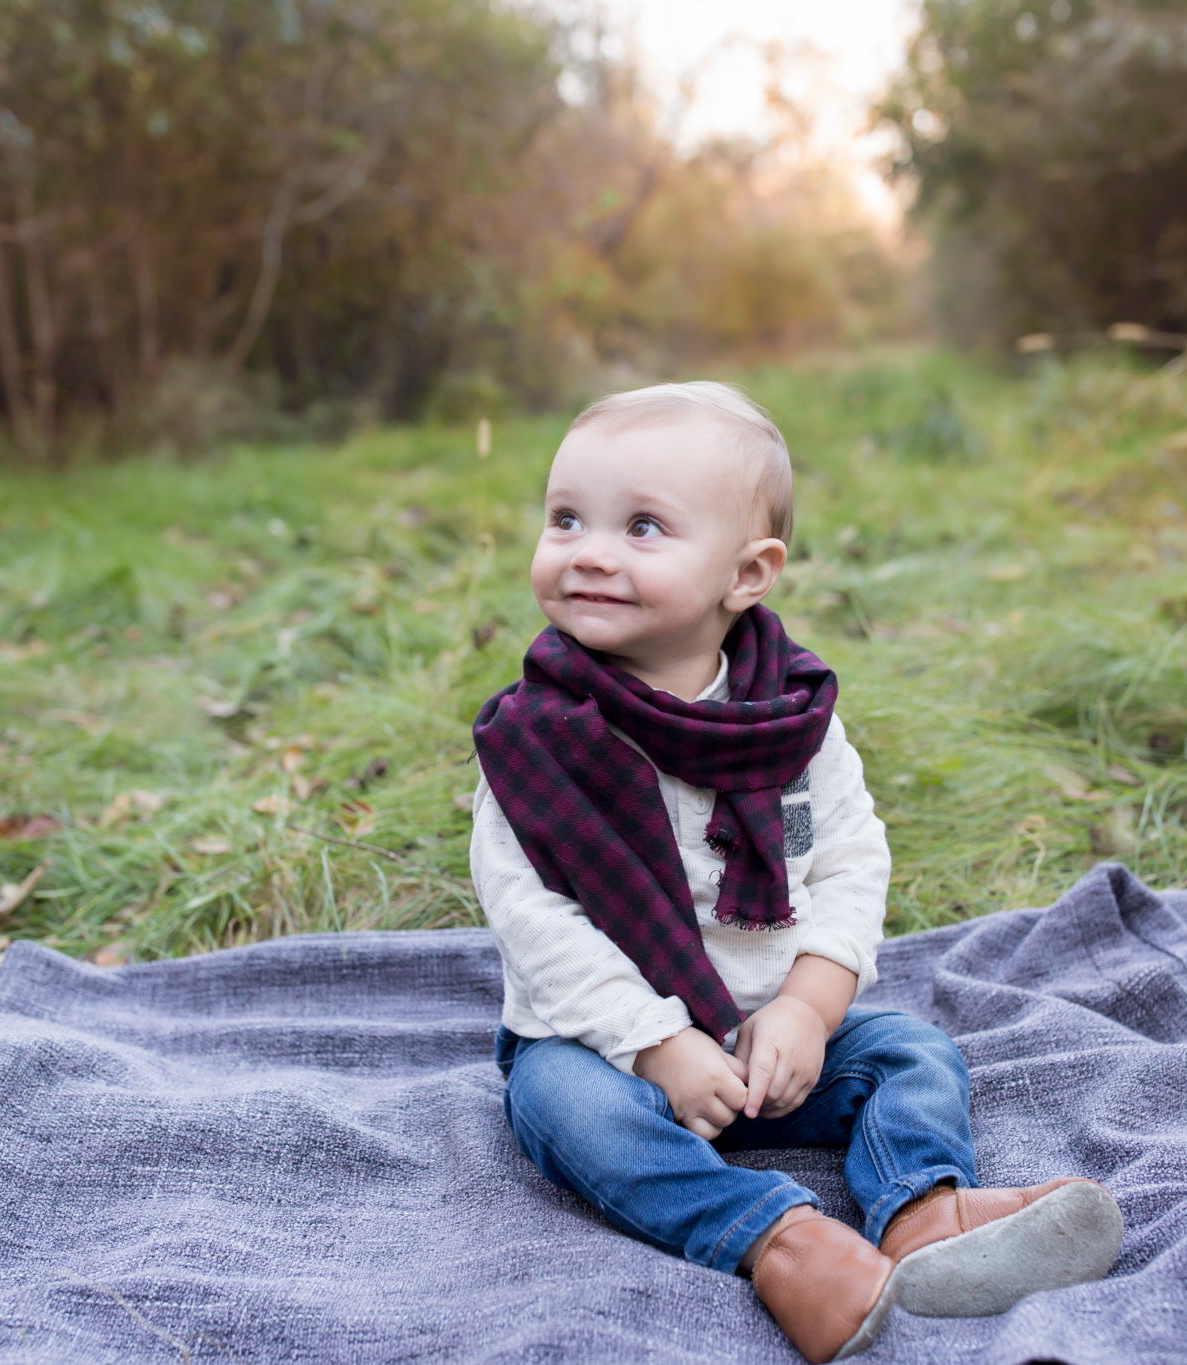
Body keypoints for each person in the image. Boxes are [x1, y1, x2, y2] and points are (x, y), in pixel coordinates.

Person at [469, 382, 1123, 1362]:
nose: (589, 550)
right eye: (565, 519)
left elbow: (853, 860)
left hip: (769, 1045)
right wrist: (656, 1046)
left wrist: (809, 1010)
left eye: (642, 526)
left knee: (907, 1049)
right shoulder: (533, 742)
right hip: (607, 1047)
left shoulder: (790, 719)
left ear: (747, 573)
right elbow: (535, 927)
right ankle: (780, 1238)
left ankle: (922, 1213)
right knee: (560, 1108)